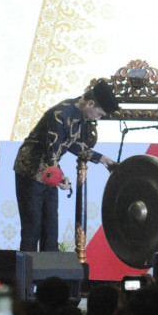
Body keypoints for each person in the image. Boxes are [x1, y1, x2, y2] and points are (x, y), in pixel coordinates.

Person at [13, 79, 119, 252]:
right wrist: (59, 177)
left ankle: (48, 278)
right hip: (30, 170)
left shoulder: (80, 115)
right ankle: (26, 278)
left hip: (49, 173)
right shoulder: (61, 114)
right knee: (32, 229)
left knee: (51, 229)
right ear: (90, 103)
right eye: (99, 114)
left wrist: (103, 159)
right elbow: (51, 151)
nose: (97, 118)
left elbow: (74, 144)